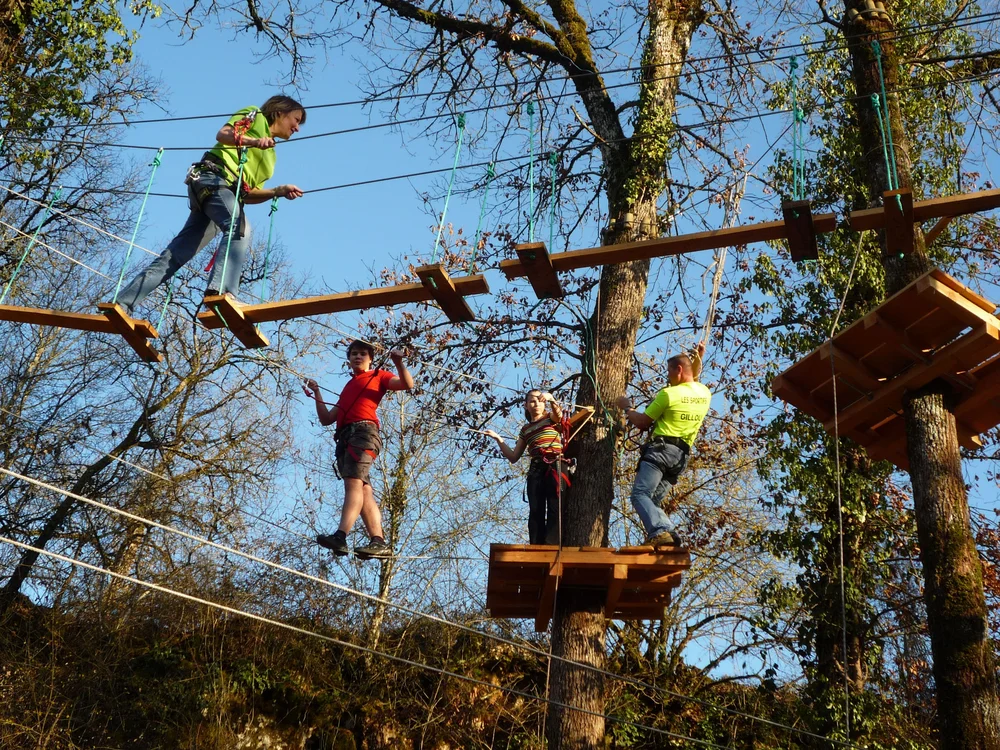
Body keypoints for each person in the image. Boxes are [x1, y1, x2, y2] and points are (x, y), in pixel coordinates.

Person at [114, 95, 306, 313]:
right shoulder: (255, 115)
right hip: (212, 178)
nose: (297, 128)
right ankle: (222, 292)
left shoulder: (271, 159)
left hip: (225, 196)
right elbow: (223, 134)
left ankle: (121, 303)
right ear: (280, 112)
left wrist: (276, 192)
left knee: (177, 254)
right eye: (296, 119)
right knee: (239, 227)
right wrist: (252, 141)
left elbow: (248, 194)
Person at [303, 340, 414, 560]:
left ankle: (341, 535)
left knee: (353, 483)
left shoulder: (378, 376)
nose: (357, 357)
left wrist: (398, 362)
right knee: (363, 489)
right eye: (354, 354)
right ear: (349, 359)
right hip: (346, 438)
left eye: (363, 354)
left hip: (363, 433)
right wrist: (317, 393)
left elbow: (407, 384)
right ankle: (378, 541)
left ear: (370, 358)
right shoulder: (349, 386)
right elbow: (327, 418)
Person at [616, 342, 710, 547]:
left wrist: (627, 409)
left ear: (678, 370)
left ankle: (662, 530)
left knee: (640, 495)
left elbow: (642, 423)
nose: (667, 376)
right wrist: (699, 358)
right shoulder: (704, 393)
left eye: (669, 371)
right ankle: (665, 537)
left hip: (661, 452)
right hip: (680, 457)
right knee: (653, 502)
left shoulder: (669, 394)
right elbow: (693, 379)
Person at [484, 390, 570, 546]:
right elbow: (514, 456)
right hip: (537, 467)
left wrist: (551, 399)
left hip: (555, 463)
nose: (536, 403)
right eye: (532, 401)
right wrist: (498, 439)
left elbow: (559, 416)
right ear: (526, 406)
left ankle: (552, 544)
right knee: (535, 508)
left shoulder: (550, 419)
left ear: (544, 403)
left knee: (554, 505)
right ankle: (536, 545)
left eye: (539, 400)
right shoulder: (525, 430)